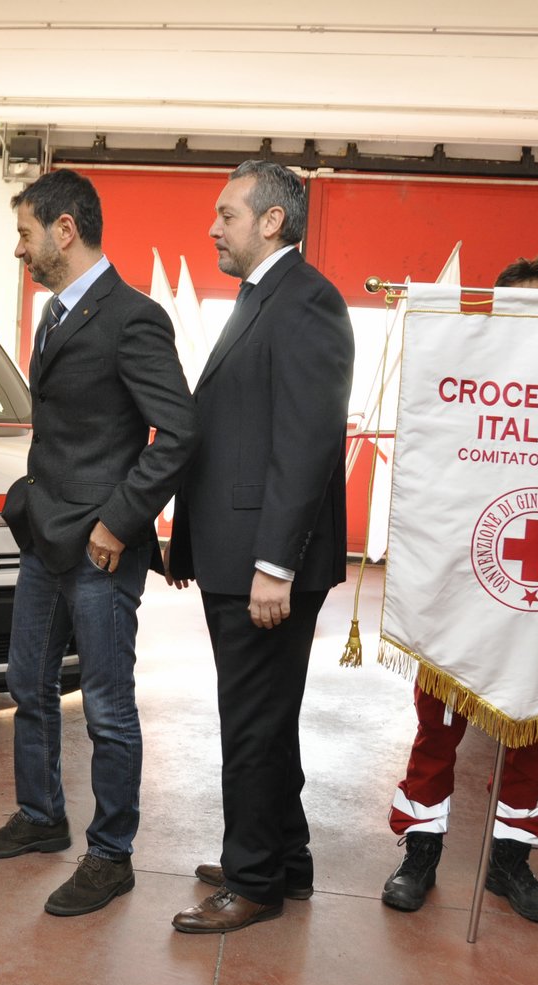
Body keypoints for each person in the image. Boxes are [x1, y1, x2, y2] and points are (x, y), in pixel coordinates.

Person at [0, 169, 197, 916]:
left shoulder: (133, 317)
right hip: (45, 537)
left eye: (26, 232)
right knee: (25, 684)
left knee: (105, 708)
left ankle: (110, 853)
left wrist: (120, 521)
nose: (19, 248)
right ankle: (40, 816)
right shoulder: (55, 313)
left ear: (65, 229)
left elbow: (179, 431)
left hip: (100, 547)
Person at [165, 160, 354, 933]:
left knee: (251, 720)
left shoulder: (306, 302)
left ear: (271, 221)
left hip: (264, 563)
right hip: (237, 550)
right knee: (266, 716)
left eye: (227, 214)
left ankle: (254, 880)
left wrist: (274, 564)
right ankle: (286, 855)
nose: (213, 227)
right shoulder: (264, 297)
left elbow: (307, 444)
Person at [380, 256, 538, 925]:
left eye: (535, 308)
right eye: (508, 307)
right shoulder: (460, 387)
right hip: (459, 590)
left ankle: (510, 863)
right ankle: (420, 853)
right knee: (438, 730)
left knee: (531, 731)